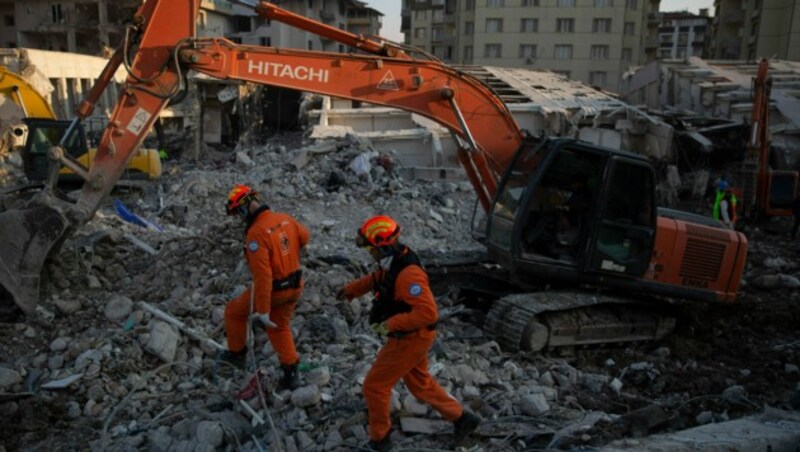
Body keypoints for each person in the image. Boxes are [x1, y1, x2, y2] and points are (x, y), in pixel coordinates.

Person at [336, 215, 481, 451]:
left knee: (375, 386)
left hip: (410, 338)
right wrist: (352, 290)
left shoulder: (409, 275)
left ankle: (380, 440)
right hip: (416, 337)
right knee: (420, 384)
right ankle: (463, 419)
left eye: (371, 249)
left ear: (383, 247)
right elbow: (380, 278)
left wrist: (390, 325)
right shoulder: (397, 259)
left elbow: (428, 314)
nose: (370, 254)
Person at [219, 184, 310, 390]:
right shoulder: (285, 218)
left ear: (246, 207)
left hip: (274, 291)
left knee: (233, 312)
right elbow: (304, 238)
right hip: (295, 286)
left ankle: (236, 355)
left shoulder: (256, 233)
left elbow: (263, 276)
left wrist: (262, 310)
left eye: (239, 213)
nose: (240, 218)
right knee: (280, 327)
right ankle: (291, 373)